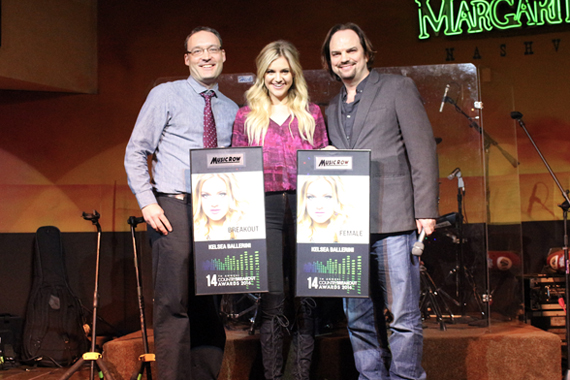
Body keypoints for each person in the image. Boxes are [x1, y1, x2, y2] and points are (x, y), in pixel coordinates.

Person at [321, 23, 439, 380]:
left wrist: (426, 211)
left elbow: (422, 151)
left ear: (366, 52)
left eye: (350, 50)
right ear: (329, 61)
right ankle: (371, 376)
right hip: (349, 227)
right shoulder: (331, 106)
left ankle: (405, 376)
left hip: (395, 219)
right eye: (336, 53)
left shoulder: (397, 88)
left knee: (401, 314)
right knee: (357, 315)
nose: (344, 58)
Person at [124, 27, 238, 380]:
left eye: (212, 49)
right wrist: (148, 203)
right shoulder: (166, 95)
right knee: (174, 304)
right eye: (198, 51)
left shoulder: (232, 109)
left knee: (208, 305)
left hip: (215, 212)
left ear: (222, 55)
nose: (206, 56)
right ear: (187, 59)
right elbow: (136, 151)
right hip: (171, 207)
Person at [232, 40, 329, 380]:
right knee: (272, 299)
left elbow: (323, 160)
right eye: (271, 71)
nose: (278, 77)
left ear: (294, 73)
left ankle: (299, 376)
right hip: (265, 210)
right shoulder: (246, 116)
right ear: (262, 75)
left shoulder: (311, 113)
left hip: (307, 211)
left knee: (305, 298)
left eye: (284, 70)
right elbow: (236, 168)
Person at [192, 173, 246, 241]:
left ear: (232, 195)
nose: (214, 204)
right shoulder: (191, 231)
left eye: (222, 194)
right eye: (205, 195)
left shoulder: (246, 231)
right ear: (198, 198)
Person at [297, 176, 349, 243]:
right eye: (311, 197)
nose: (319, 206)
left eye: (327, 197)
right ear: (303, 200)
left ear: (338, 198)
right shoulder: (296, 233)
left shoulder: (350, 234)